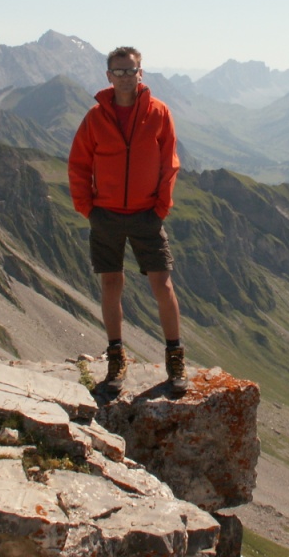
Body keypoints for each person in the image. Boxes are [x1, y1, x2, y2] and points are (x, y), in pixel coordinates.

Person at [68, 46, 187, 396]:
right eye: (118, 72)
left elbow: (169, 162)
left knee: (162, 284)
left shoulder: (158, 112)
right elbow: (79, 163)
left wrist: (160, 208)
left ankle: (175, 358)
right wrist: (88, 208)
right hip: (105, 215)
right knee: (111, 284)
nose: (124, 77)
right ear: (108, 76)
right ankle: (116, 358)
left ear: (140, 73)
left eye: (130, 70)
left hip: (146, 215)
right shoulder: (95, 117)